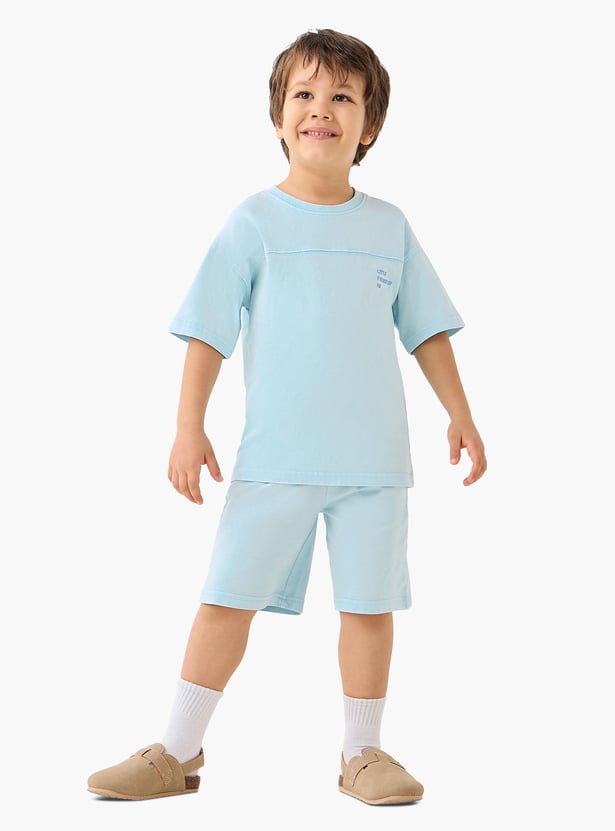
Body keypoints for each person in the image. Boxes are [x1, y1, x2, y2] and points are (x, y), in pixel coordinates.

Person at [87, 27, 487, 806]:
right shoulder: (254, 222)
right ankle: (176, 750)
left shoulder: (389, 227)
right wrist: (188, 426)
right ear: (278, 117)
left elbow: (426, 330)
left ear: (368, 124)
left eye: (342, 96)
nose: (321, 109)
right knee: (225, 598)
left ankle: (362, 752)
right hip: (275, 458)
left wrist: (460, 414)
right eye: (304, 94)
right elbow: (208, 329)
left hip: (373, 463)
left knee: (369, 606)